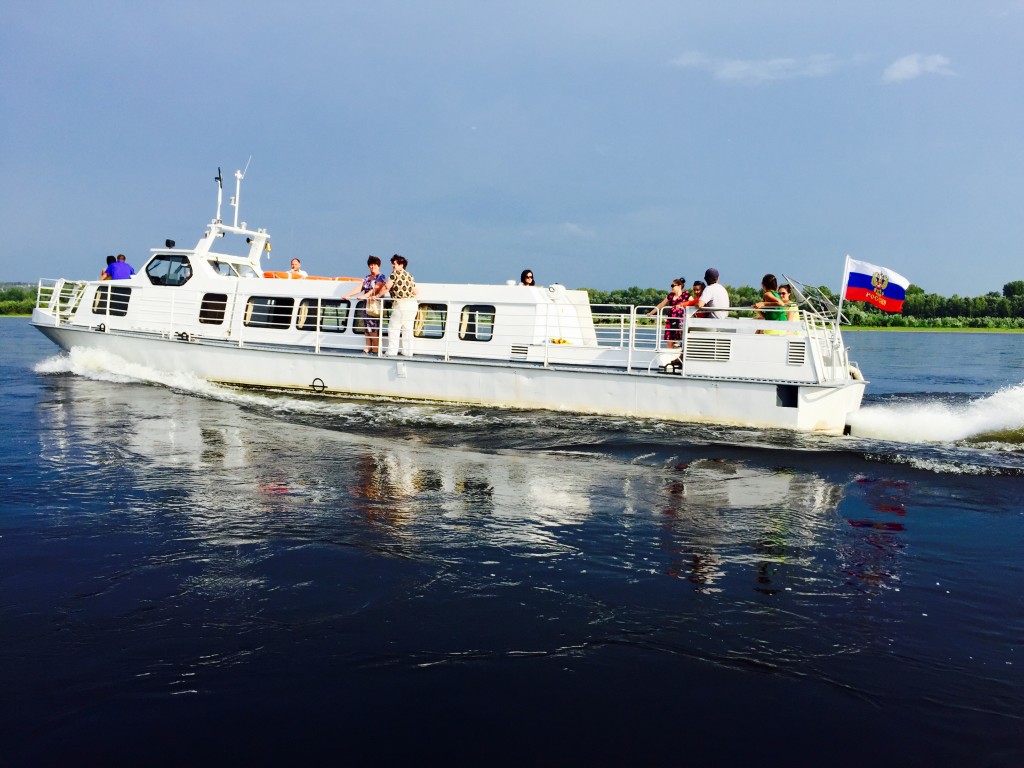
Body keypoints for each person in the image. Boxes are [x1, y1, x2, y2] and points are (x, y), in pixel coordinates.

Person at [345, 255, 388, 354]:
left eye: (374, 265)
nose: (372, 267)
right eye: (371, 265)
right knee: (366, 327)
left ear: (378, 266)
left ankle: (376, 347)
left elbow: (377, 288)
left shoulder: (381, 276)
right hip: (366, 304)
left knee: (373, 327)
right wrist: (348, 295)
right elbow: (360, 287)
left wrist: (365, 296)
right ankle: (368, 346)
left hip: (374, 304)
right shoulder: (367, 277)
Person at [384, 254, 418, 357]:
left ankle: (392, 351)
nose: (393, 266)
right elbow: (416, 291)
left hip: (401, 304)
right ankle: (408, 352)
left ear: (401, 264)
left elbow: (386, 287)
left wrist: (376, 295)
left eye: (394, 264)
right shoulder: (410, 276)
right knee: (407, 329)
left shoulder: (394, 274)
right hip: (412, 304)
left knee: (393, 328)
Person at [646, 278, 690, 348]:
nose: (671, 287)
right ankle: (669, 357)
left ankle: (678, 357)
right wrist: (650, 313)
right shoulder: (670, 296)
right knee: (670, 341)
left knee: (680, 341)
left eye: (673, 285)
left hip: (680, 322)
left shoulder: (686, 295)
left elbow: (693, 303)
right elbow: (661, 305)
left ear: (679, 286)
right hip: (670, 320)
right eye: (671, 285)